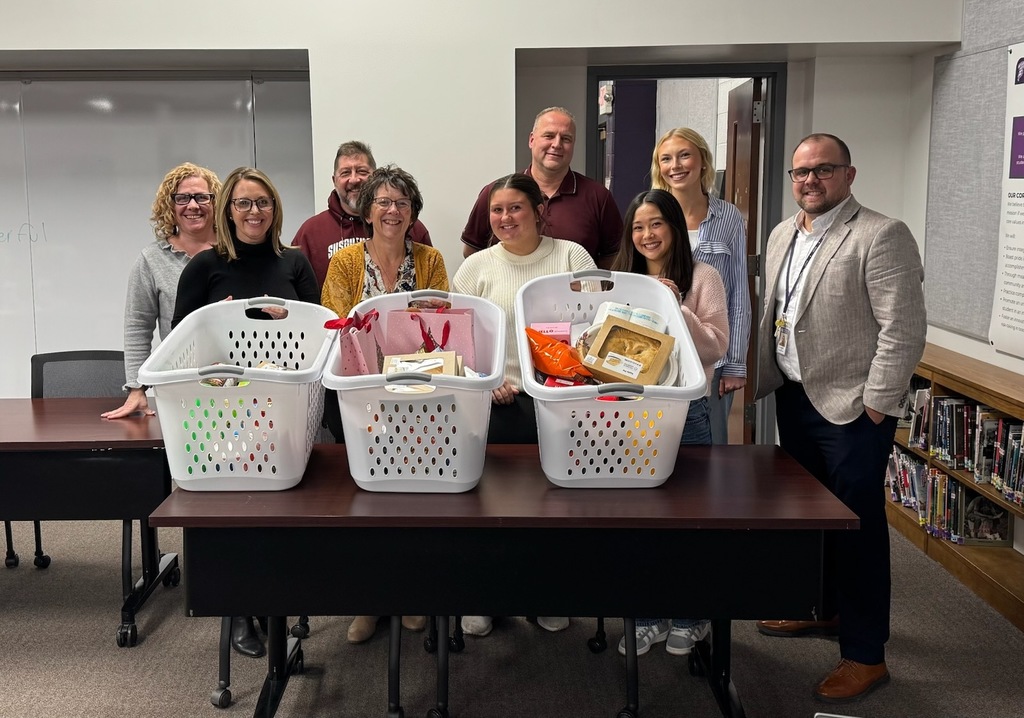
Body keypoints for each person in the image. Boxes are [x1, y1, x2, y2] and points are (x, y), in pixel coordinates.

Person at [754, 133, 926, 703]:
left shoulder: (881, 234)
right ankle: (822, 610)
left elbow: (902, 328)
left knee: (858, 528)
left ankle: (864, 653)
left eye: (823, 171)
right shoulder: (783, 233)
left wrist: (877, 405)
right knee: (810, 519)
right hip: (797, 398)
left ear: (849, 175)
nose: (810, 181)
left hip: (853, 409)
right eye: (801, 173)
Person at [171, 166, 320, 659]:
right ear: (227, 210)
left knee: (284, 507)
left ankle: (278, 599)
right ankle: (240, 612)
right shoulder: (204, 266)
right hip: (223, 412)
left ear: (275, 210)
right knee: (236, 512)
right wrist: (223, 317)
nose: (253, 212)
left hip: (285, 408)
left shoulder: (294, 263)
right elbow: (180, 341)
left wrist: (289, 316)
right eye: (243, 203)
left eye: (263, 203)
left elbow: (320, 331)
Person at [452, 172, 596, 639]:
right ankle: (482, 599)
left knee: (552, 512)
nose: (505, 218)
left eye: (515, 207)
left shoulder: (571, 257)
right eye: (497, 210)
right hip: (497, 403)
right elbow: (460, 343)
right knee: (486, 509)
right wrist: (483, 380)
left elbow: (595, 327)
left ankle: (547, 595)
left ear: (538, 210)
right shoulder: (476, 268)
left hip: (558, 402)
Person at [319, 164, 447, 645]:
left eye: (402, 203)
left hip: (420, 398)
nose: (393, 211)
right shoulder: (345, 263)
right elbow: (338, 327)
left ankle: (412, 593)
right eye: (383, 202)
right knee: (366, 502)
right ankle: (368, 600)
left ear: (413, 212)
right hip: (362, 400)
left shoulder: (430, 259)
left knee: (417, 499)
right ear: (367, 211)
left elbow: (442, 325)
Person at [610, 189, 728, 657]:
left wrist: (675, 307)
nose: (646, 235)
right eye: (638, 227)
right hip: (630, 415)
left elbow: (715, 346)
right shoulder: (623, 281)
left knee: (689, 517)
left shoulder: (703, 277)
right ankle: (647, 616)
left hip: (688, 410)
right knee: (640, 520)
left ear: (675, 227)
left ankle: (690, 615)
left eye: (656, 224)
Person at [652, 128, 750, 445]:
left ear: (703, 162)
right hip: (657, 355)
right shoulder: (651, 214)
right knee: (654, 444)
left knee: (711, 450)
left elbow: (738, 295)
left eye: (684, 155)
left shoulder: (728, 217)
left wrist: (735, 363)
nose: (676, 165)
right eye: (666, 158)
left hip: (711, 357)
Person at [103, 162, 220, 419]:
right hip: (178, 388)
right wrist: (136, 387)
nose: (193, 205)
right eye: (182, 198)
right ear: (170, 206)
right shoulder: (151, 260)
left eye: (202, 197)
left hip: (237, 385)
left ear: (216, 202)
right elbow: (137, 325)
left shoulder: (235, 253)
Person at [461, 107, 622, 268]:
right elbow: (472, 251)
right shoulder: (495, 194)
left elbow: (613, 257)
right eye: (549, 136)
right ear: (532, 140)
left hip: (573, 292)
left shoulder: (598, 196)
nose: (557, 144)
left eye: (566, 139)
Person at [290, 140, 432, 289]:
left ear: (375, 176)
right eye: (345, 173)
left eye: (362, 172)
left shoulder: (409, 227)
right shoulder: (310, 232)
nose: (354, 179)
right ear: (334, 180)